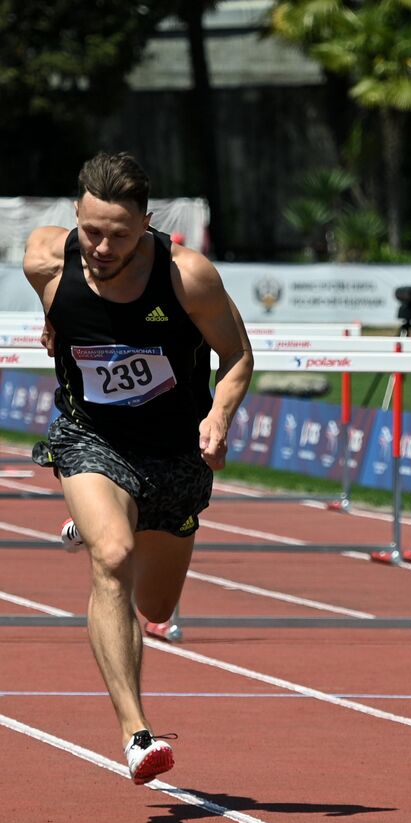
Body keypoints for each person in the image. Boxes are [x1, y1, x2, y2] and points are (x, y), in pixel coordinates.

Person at [24, 151, 253, 783]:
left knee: (156, 604)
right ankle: (135, 732)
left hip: (175, 452)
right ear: (76, 215)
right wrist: (54, 321)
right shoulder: (45, 256)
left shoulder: (187, 276)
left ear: (147, 225)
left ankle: (106, 520)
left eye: (119, 235)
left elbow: (237, 355)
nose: (101, 246)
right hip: (91, 436)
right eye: (92, 230)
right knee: (114, 558)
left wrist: (221, 416)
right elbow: (57, 308)